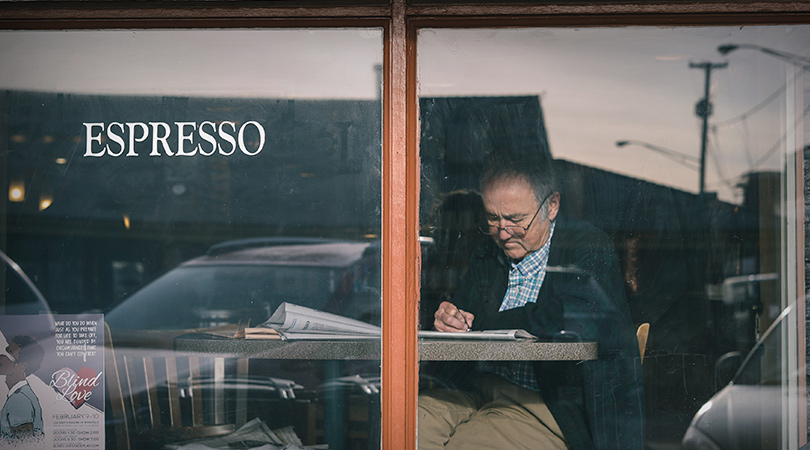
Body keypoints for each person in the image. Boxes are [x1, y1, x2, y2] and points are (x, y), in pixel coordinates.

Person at [418, 155, 644, 450]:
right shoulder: (487, 253)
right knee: (405, 429)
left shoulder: (587, 247)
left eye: (515, 219)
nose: (502, 232)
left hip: (546, 402)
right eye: (492, 218)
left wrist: (484, 324)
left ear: (552, 206)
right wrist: (451, 319)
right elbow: (467, 321)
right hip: (475, 387)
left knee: (466, 446)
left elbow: (572, 320)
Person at [0, 335, 44, 440]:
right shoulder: (20, 395)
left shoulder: (19, 400)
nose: (1, 356)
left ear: (22, 366)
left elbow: (23, 445)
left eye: (9, 353)